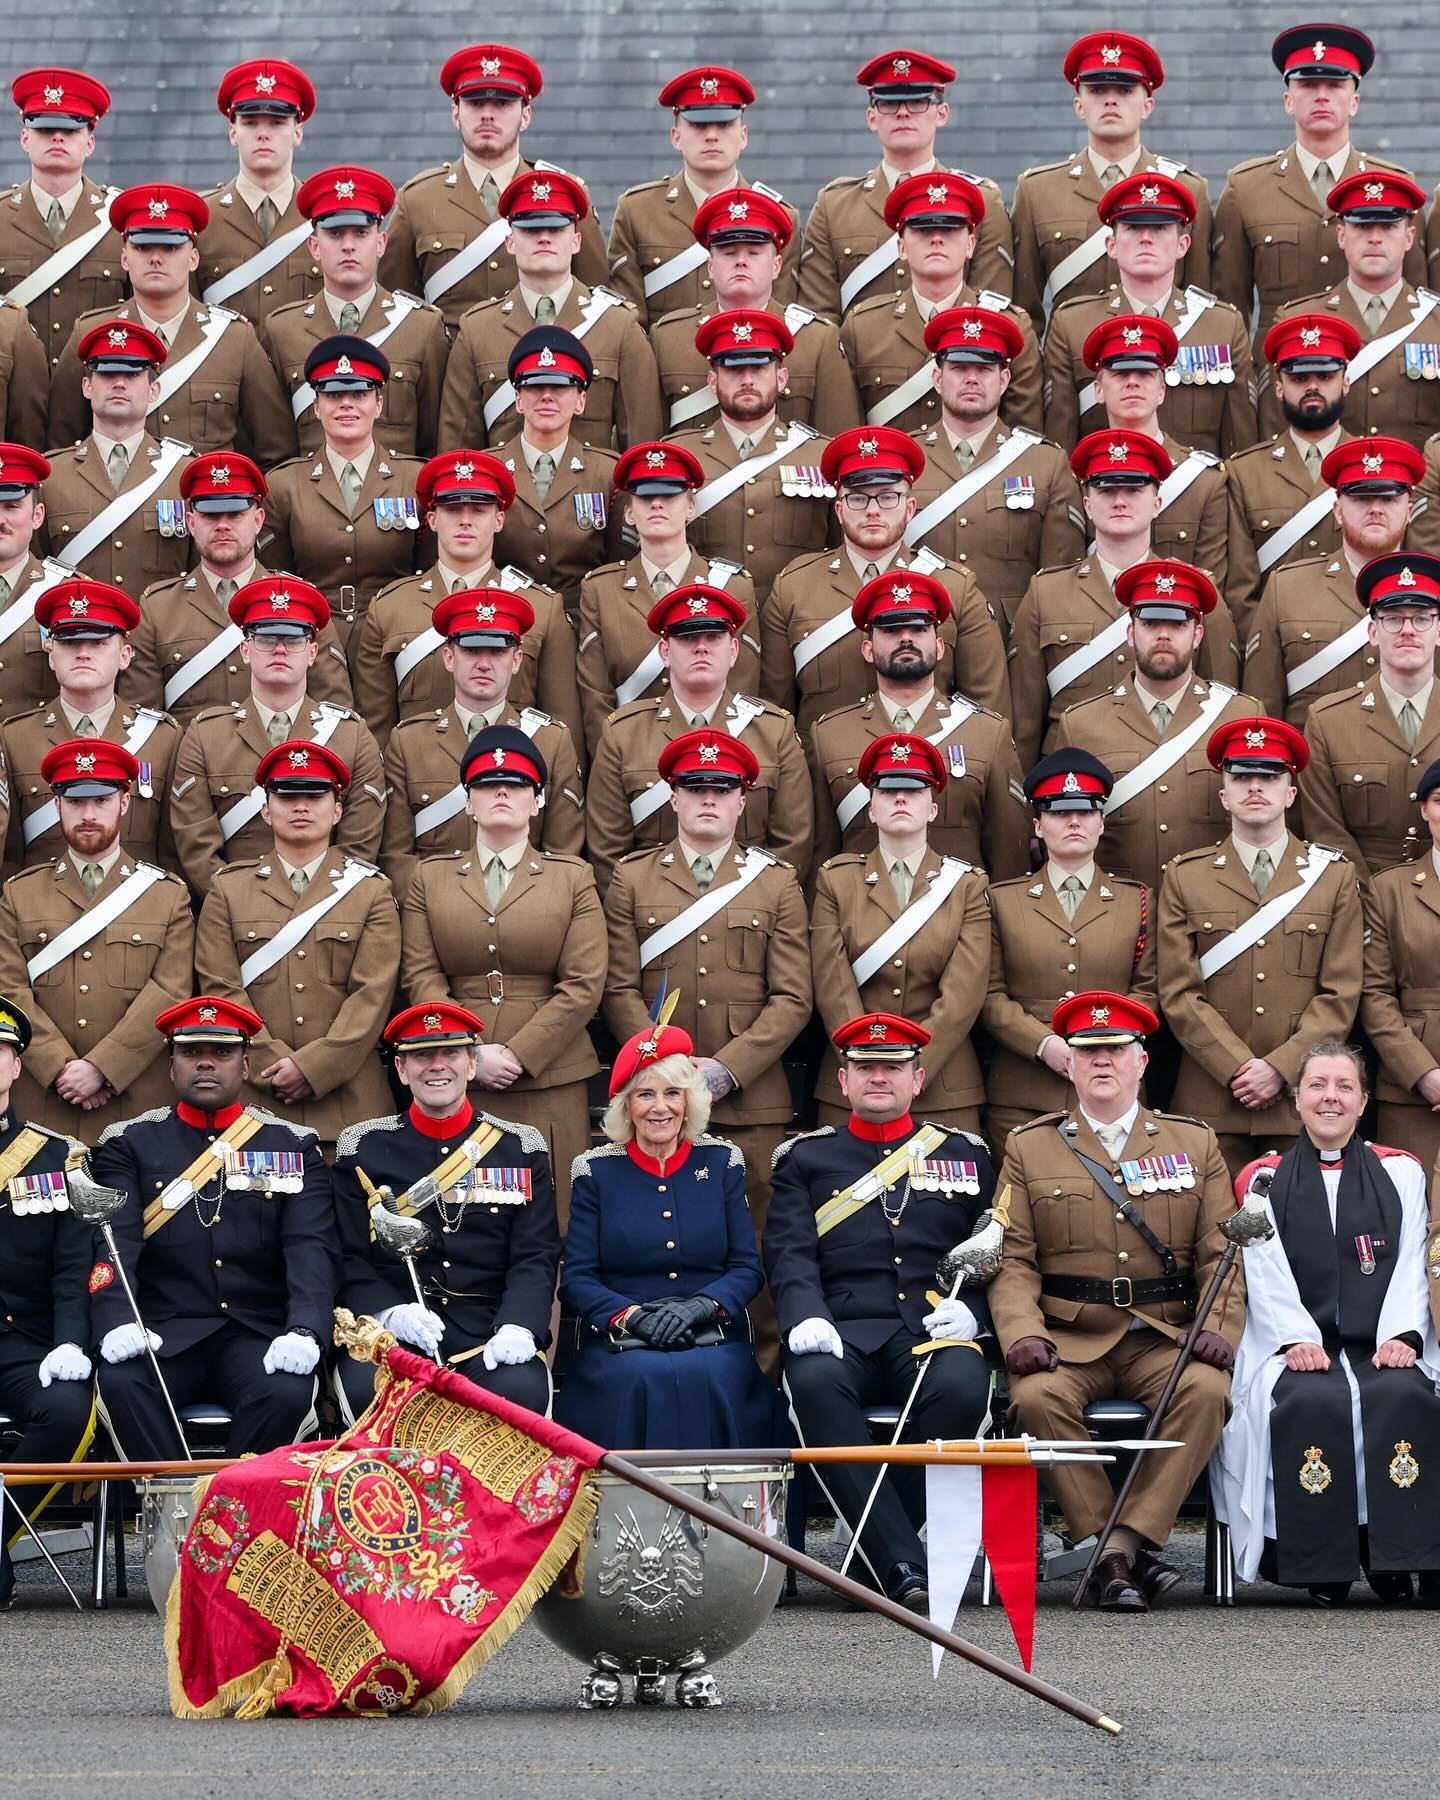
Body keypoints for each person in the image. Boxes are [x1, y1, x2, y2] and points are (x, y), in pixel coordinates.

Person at [989, 991, 1241, 1612]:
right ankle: (1121, 1558)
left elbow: (1222, 1253)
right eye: (1088, 1052)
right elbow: (1012, 1256)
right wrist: (1021, 1331)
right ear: (1069, 1066)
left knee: (1207, 1393)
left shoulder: (1193, 1143)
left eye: (1116, 1050)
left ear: (1141, 1061)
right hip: (1069, 1338)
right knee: (1034, 1399)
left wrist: (1217, 1326)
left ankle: (1112, 1552)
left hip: (1163, 1336)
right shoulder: (1030, 1147)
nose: (1102, 1061)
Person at [764, 1010, 996, 1608]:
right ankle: (902, 1562)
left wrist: (974, 1310)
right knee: (813, 1384)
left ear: (918, 1079)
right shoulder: (804, 1160)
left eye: (893, 1067)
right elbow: (788, 1251)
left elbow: (994, 1243)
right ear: (842, 1081)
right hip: (840, 1324)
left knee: (965, 1388)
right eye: (865, 1067)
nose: (878, 1078)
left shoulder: (967, 1155)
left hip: (932, 1322)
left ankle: (880, 1561)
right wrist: (804, 1314)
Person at [602, 727, 813, 1364]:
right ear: (673, 796)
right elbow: (616, 986)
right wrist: (659, 1069)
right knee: (659, 1239)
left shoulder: (774, 882)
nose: (709, 799)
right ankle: (669, 1364)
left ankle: (765, 1375)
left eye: (723, 788)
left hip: (748, 1098)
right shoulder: (631, 878)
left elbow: (793, 997)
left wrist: (725, 1069)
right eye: (696, 787)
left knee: (755, 1240)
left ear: (743, 799)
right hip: (655, 1100)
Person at [1213, 1042, 1440, 1606]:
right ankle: (1322, 1563)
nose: (1330, 1097)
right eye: (1317, 1085)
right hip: (1300, 1343)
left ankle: (1394, 1557)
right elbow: (1260, 1271)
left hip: (1381, 1340)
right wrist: (1295, 1337)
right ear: (1296, 1099)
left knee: (1404, 1395)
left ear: (1364, 1101)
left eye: (1344, 1086)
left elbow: (1414, 1257)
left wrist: (1404, 1333)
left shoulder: (1401, 1172)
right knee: (1309, 1402)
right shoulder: (1263, 1179)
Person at [90, 995, 336, 1460]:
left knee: (285, 1391)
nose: (206, 1063)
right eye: (191, 1053)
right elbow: (113, 1245)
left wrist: (305, 1329)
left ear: (245, 1065)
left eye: (222, 1053)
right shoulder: (129, 1143)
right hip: (163, 1330)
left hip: (254, 1331)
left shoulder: (292, 1144)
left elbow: (311, 1248)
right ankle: (170, 1510)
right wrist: (117, 1321)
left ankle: (231, 1517)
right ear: (171, 1065)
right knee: (124, 1380)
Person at [400, 723, 605, 1222]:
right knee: (461, 1216)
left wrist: (518, 1053)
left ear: (537, 802)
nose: (502, 794)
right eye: (488, 786)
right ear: (468, 802)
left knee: (551, 1219)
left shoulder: (571, 876)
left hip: (549, 1076)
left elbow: (583, 984)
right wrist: (468, 1052)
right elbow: (421, 975)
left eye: (516, 786)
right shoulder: (429, 877)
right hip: (454, 1074)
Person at [333, 1001, 559, 1421]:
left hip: (488, 1331)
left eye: (451, 1054)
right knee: (369, 1393)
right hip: (395, 1337)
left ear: (472, 1064)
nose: (437, 1067)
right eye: (422, 1056)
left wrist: (518, 1325)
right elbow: (347, 1256)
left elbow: (536, 1255)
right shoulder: (362, 1148)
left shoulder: (520, 1148)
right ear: (401, 1070)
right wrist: (389, 1313)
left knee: (520, 1392)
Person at [1157, 717, 1363, 1176]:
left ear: (1291, 793)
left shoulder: (1332, 877)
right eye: (1241, 777)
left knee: (1301, 1240)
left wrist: (1281, 1068)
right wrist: (1236, 1067)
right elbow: (1177, 991)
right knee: (1211, 1241)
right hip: (1210, 1098)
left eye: (1269, 777)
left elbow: (1341, 993)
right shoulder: (1184, 876)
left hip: (1301, 1100)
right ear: (1222, 794)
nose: (1255, 788)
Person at [559, 1021, 780, 1448]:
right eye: (646, 1094)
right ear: (626, 1105)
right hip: (622, 1342)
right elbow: (578, 1279)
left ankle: (727, 1512)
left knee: (713, 1375)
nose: (660, 1108)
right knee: (642, 1377)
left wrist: (700, 1307)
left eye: (672, 1093)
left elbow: (745, 1267)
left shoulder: (721, 1163)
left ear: (689, 1101)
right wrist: (634, 1316)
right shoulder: (595, 1172)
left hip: (712, 1334)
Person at [194, 740, 400, 1146]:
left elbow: (372, 996)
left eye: (315, 795)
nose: (301, 806)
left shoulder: (370, 890)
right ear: (266, 810)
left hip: (350, 1103)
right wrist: (272, 1065)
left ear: (338, 810)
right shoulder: (228, 889)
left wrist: (314, 1068)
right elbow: (221, 989)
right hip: (253, 1099)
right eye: (288, 796)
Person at [1008, 430, 1241, 770]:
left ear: (1157, 503)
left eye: (1133, 489)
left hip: (1175, 772)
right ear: (1087, 505)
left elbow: (1220, 704)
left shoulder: (1196, 589)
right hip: (1073, 787)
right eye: (1106, 489)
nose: (1120, 501)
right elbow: (1026, 721)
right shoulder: (1046, 593)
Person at [762, 426, 1008, 740]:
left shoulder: (955, 587)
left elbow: (986, 711)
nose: (873, 510)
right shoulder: (794, 587)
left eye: (888, 497)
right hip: (829, 778)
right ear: (839, 510)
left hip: (927, 778)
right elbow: (775, 714)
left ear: (910, 508)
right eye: (857, 499)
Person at [0, 740, 192, 1141]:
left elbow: (171, 992)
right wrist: (57, 1066)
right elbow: (9, 990)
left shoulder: (166, 894)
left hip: (135, 1104)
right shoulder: (19, 894)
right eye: (74, 802)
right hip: (41, 1101)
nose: (88, 815)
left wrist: (103, 1067)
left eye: (101, 800)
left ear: (124, 803)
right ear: (56, 806)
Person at [585, 579, 812, 898]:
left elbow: (792, 845)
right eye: (687, 637)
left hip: (749, 917)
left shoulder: (774, 731)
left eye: (714, 637)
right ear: (665, 651)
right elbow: (608, 851)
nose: (701, 647)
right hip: (654, 918)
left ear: (733, 651)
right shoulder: (623, 733)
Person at [810, 733, 991, 1133]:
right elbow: (831, 984)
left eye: (914, 789)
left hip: (941, 1087)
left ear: (933, 808)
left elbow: (964, 993)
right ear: (871, 809)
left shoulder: (966, 886)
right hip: (851, 1088)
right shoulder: (835, 880)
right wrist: (864, 1067)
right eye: (888, 790)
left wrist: (912, 1071)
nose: (901, 798)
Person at [49, 183, 296, 467]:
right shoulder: (91, 333)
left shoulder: (233, 339)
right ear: (124, 258)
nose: (155, 258)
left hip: (205, 508)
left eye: (170, 247)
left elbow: (276, 453)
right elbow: (62, 448)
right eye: (142, 247)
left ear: (193, 258)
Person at [1050, 560, 1259, 892]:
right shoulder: (1081, 724)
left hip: (1211, 907)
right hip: (1119, 914)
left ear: (1197, 635)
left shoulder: (1239, 718)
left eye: (1177, 625)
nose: (1163, 635)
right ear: (1131, 633)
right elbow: (1065, 835)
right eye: (1150, 623)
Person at [983, 750, 1157, 1150]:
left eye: (1085, 811)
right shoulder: (1001, 900)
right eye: (1059, 812)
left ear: (1102, 823)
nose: (1073, 821)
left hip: (1114, 1092)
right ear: (1038, 826)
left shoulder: (1138, 900)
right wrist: (1044, 1045)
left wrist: (1104, 1046)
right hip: (1023, 1096)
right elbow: (990, 996)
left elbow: (1149, 990)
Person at [352, 449, 580, 750]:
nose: (465, 521)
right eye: (452, 510)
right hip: (421, 788)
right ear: (432, 519)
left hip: (510, 784)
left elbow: (562, 725)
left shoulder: (542, 608)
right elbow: (375, 732)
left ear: (499, 520)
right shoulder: (389, 608)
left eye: (478, 510)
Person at [1213, 26, 1424, 350]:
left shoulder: (1395, 187)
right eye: (1308, 84)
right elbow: (1229, 309)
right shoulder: (1246, 188)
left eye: (1335, 84)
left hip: (1373, 368)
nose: (1321, 95)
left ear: (1354, 102)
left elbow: (1418, 302)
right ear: (1288, 100)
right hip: (1281, 376)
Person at [168, 575, 385, 891]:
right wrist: (242, 906)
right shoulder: (205, 736)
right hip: (235, 916)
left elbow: (358, 846)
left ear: (312, 653)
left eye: (294, 640)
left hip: (327, 914)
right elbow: (197, 848)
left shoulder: (351, 736)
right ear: (244, 650)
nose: (280, 650)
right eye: (266, 639)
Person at [808, 567, 1029, 874]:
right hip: (860, 916)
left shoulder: (987, 732)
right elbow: (820, 853)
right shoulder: (830, 734)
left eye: (920, 629)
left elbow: (1010, 855)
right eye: (890, 630)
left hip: (960, 914)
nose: (906, 638)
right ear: (868, 650)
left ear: (939, 647)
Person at [380, 43, 608, 334]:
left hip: (542, 371)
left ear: (526, 115)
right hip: (449, 373)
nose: (487, 115)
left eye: (502, 103)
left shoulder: (566, 195)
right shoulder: (418, 200)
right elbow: (395, 317)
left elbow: (595, 307)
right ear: (455, 112)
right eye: (475, 103)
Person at [439, 168, 662, 453]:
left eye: (556, 229)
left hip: (593, 495)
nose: (544, 238)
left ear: (576, 241)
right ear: (509, 242)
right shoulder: (477, 330)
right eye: (530, 229)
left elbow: (643, 450)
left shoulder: (618, 325)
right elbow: (459, 455)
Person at [124, 451, 352, 731]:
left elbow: (333, 718)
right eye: (210, 515)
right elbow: (145, 725)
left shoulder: (302, 602)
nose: (222, 525)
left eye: (235, 514)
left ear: (258, 521)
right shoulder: (157, 608)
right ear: (191, 523)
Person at [380, 585, 584, 895]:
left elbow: (562, 856)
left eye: (498, 651)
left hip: (528, 911)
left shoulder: (551, 741)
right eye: (472, 650)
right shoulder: (408, 742)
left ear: (517, 660)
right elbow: (397, 857)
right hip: (434, 909)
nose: (484, 663)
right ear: (449, 657)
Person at [1042, 172, 1256, 458]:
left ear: (1183, 246)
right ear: (1111, 245)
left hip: (1196, 497)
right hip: (1108, 493)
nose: (1146, 238)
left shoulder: (1222, 326)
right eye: (1132, 227)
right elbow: (1061, 447)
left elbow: (1239, 447)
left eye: (1160, 228)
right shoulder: (1072, 325)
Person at [1010, 32, 1211, 334]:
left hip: (1158, 369)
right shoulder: (1037, 191)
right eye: (1098, 89)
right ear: (1079, 105)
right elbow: (1024, 315)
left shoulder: (1188, 189)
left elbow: (1198, 307)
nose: (1111, 99)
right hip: (1074, 374)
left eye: (1126, 90)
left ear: (1148, 106)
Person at [575, 438, 760, 757]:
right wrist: (620, 763)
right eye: (645, 497)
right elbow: (595, 700)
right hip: (633, 760)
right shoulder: (599, 590)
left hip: (715, 760)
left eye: (670, 494)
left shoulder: (733, 586)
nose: (657, 504)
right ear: (630, 513)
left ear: (691, 507)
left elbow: (741, 690)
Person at [797, 49, 1013, 321]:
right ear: (871, 117)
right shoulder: (834, 206)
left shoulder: (982, 201)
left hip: (955, 360)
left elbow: (989, 313)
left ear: (942, 113)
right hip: (858, 362)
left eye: (918, 101)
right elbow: (820, 325)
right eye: (889, 103)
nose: (902, 113)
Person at [0, 997, 96, 1610]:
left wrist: (69, 1341)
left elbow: (72, 1272)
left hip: (23, 1342)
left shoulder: (54, 1157)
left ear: (15, 1067)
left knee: (68, 1410)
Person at [906, 305, 1084, 626]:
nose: (972, 378)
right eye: (959, 368)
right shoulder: (904, 458)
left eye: (985, 369)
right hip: (919, 635)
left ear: (1004, 380)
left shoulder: (1046, 464)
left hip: (1008, 639)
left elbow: (1061, 582)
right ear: (937, 378)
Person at [262, 163, 450, 458]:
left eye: (361, 233)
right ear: (314, 245)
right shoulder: (283, 330)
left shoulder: (421, 327)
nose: (348, 245)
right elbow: (275, 448)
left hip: (398, 499)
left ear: (380, 242)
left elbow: (434, 440)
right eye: (335, 234)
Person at [839, 173, 1041, 438]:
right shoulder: (862, 328)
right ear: (901, 247)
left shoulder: (1010, 326)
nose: (936, 239)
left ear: (970, 245)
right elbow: (848, 435)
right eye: (922, 229)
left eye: (949, 229)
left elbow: (1022, 440)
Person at [1, 577, 180, 872]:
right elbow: (8, 856)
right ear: (51, 656)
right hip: (42, 909)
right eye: (69, 641)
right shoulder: (13, 738)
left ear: (125, 656)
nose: (83, 653)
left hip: (137, 908)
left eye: (98, 642)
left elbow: (172, 853)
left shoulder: (163, 738)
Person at [646, 189, 859, 437]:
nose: (741, 261)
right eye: (729, 253)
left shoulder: (817, 340)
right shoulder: (668, 337)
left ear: (777, 265)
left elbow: (837, 440)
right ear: (710, 267)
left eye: (754, 253)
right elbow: (651, 447)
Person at [261, 335, 426, 647]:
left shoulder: (415, 480)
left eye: (360, 393)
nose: (347, 404)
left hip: (395, 637)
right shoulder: (283, 485)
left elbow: (427, 572)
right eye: (334, 395)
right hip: (312, 638)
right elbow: (277, 577)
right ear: (316, 405)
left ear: (379, 404)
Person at [608, 64, 801, 331]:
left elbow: (784, 320)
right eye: (698, 125)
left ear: (743, 135)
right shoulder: (637, 212)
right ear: (676, 136)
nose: (711, 136)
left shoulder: (779, 217)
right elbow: (629, 326)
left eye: (724, 124)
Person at [1245, 436, 1422, 725]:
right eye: (1362, 498)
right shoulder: (1286, 589)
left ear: (1409, 511)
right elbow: (1264, 710)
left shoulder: (1435, 591)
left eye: (1389, 498)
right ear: (1338, 511)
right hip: (1314, 766)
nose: (1376, 509)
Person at [666, 309, 837, 605]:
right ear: (712, 380)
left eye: (759, 368)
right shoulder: (678, 456)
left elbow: (839, 549)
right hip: (705, 626)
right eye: (733, 369)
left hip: (797, 617)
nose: (747, 379)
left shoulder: (821, 456)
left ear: (782, 378)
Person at [1266, 172, 1438, 448]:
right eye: (1362, 227)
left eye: (1388, 226)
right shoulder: (1297, 322)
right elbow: (1277, 430)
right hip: (1327, 489)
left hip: (1420, 488)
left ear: (1409, 237)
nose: (1375, 238)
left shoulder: (1435, 321)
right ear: (1341, 235)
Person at [1301, 551, 1440, 878]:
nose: (1407, 630)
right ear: (1373, 632)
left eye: (1421, 617)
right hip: (1363, 900)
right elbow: (1326, 831)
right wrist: (1377, 902)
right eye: (1392, 618)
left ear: (1439, 630)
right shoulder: (1328, 721)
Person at [1224, 312, 1359, 634]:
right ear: (1279, 387)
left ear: (1346, 383)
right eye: (1299, 378)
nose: (1312, 386)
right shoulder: (1244, 474)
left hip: (1357, 643)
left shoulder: (1376, 466)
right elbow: (1240, 593)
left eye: (1325, 376)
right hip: (1278, 643)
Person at [1074, 313, 1230, 588]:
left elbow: (1211, 588)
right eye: (1120, 373)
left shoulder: (1204, 482)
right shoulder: (1073, 477)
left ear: (1161, 391)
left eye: (1145, 373)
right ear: (1098, 390)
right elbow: (1071, 578)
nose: (1132, 382)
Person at [38, 321, 189, 600]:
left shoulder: (183, 474)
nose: (119, 383)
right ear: (86, 386)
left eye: (132, 375)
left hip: (159, 641)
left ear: (154, 391)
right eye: (107, 374)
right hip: (81, 638)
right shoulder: (51, 477)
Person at [489, 325, 626, 619]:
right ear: (518, 399)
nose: (547, 397)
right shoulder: (488, 471)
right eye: (535, 387)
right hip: (504, 622)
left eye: (561, 387)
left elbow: (620, 566)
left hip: (583, 624)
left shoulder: (608, 474)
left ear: (580, 401)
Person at [1, 67, 122, 374]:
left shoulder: (121, 219)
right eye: (44, 129)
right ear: (25, 139)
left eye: (70, 130)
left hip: (99, 394)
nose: (57, 136)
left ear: (90, 144)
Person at [197, 59, 319, 331]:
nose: (263, 134)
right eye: (250, 123)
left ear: (297, 132)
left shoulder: (324, 218)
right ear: (233, 132)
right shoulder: (201, 219)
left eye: (276, 123)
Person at [1361, 758, 1440, 1167]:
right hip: (1413, 1090)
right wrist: (1423, 1073)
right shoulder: (1388, 889)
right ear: (1424, 810)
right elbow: (1375, 994)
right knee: (1413, 1222)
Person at [0, 444, 65, 717]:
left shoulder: (67, 595)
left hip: (35, 754)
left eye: (12, 507)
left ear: (37, 516)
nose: (0, 520)